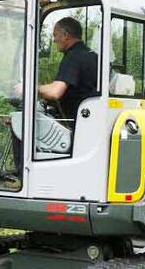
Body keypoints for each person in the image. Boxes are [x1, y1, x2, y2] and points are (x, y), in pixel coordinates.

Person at [7, 17, 98, 187]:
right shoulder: (91, 55)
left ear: (66, 35)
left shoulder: (73, 57)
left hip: (71, 122)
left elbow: (56, 92)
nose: (54, 39)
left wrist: (29, 87)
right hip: (85, 121)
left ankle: (23, 181)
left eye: (56, 35)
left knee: (20, 122)